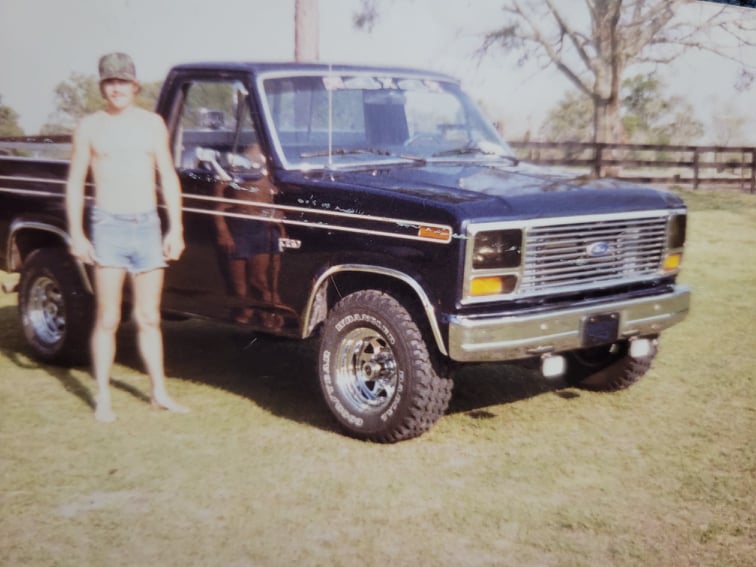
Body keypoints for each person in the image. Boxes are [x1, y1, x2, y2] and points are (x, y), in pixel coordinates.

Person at [65, 52, 188, 422]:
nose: (116, 88)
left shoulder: (152, 124)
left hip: (147, 226)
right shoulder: (89, 127)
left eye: (122, 82)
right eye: (110, 82)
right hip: (108, 227)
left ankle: (159, 393)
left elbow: (168, 176)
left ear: (135, 86)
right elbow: (75, 183)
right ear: (102, 87)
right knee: (108, 318)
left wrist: (176, 227)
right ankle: (102, 396)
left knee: (149, 316)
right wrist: (77, 234)